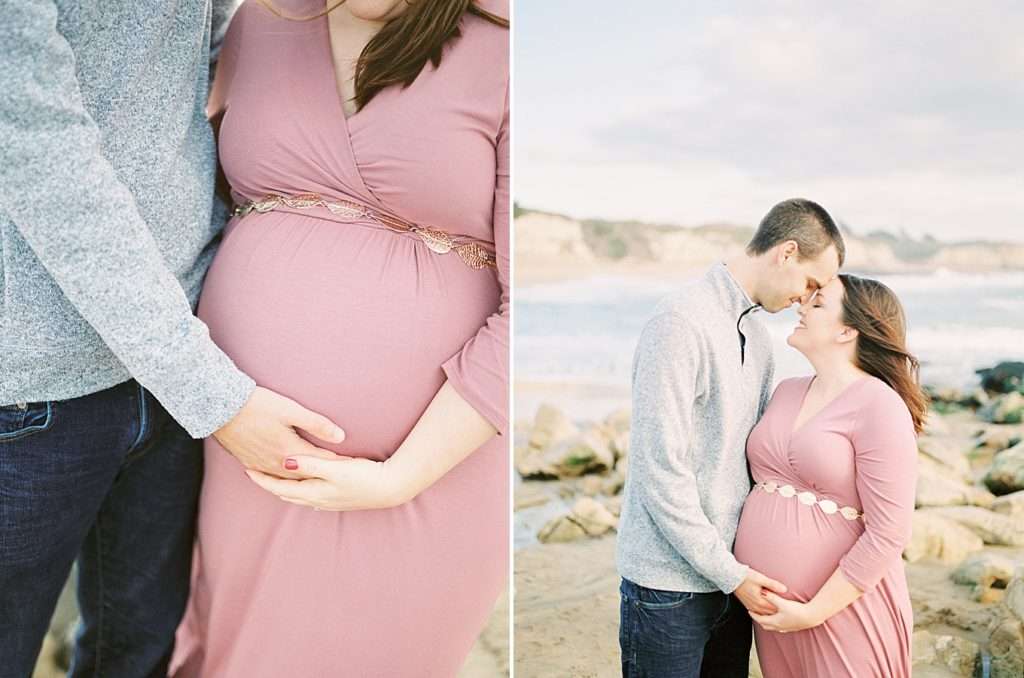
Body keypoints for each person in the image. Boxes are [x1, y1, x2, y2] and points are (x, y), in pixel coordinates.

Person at [0, 2, 349, 676]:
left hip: (177, 371)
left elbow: (195, 77)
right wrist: (214, 395)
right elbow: (36, 148)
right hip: (34, 390)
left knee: (139, 655)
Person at [168, 0, 509, 675]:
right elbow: (188, 195)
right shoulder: (261, 22)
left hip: (431, 473)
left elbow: (524, 314)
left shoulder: (508, 52)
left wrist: (400, 478)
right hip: (242, 444)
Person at [616, 198, 845, 677]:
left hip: (733, 581)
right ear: (786, 253)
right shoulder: (679, 322)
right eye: (810, 283)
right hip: (668, 587)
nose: (807, 300)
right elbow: (660, 471)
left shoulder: (758, 338)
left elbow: (757, 463)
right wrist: (731, 573)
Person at [733, 274, 925, 677]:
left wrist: (813, 612)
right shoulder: (786, 390)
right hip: (775, 611)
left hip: (842, 609)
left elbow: (889, 532)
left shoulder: (880, 405)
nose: (801, 307)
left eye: (818, 305)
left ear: (848, 330)